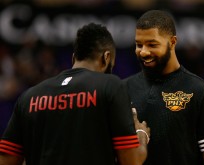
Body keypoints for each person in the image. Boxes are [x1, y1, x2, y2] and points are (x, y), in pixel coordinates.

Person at [0, 23, 150, 165]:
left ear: (73, 58)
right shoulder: (111, 86)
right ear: (106, 57)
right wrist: (141, 133)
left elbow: (6, 161)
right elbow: (132, 161)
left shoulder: (29, 97)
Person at [124, 10, 204, 165]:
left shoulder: (201, 92)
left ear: (173, 42)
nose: (144, 51)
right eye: (138, 44)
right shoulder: (122, 89)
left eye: (152, 44)